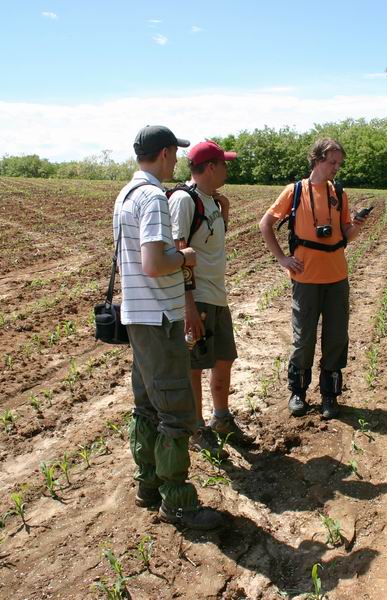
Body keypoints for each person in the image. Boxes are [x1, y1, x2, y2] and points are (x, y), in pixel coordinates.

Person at [113, 125, 223, 530]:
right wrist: (187, 258)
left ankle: (148, 487)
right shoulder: (153, 197)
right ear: (162, 154)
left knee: (145, 406)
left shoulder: (124, 195)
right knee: (176, 412)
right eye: (173, 154)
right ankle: (177, 503)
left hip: (137, 318)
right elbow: (155, 263)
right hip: (160, 318)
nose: (176, 160)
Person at [259, 138, 369, 419]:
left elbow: (345, 236)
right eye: (332, 162)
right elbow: (266, 224)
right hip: (306, 278)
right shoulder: (294, 192)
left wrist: (355, 226)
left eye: (339, 163)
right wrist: (283, 258)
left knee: (336, 337)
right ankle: (298, 392)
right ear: (317, 159)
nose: (336, 168)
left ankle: (329, 395)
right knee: (303, 339)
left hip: (337, 277)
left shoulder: (339, 193)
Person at [167, 140, 248, 450]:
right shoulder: (185, 201)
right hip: (197, 296)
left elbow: (209, 242)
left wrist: (224, 212)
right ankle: (197, 428)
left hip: (217, 295)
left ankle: (221, 418)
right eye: (224, 164)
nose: (228, 169)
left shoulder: (212, 200)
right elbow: (179, 252)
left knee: (224, 357)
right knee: (195, 365)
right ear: (211, 167)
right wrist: (187, 305)